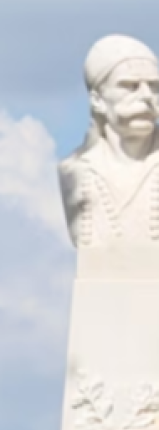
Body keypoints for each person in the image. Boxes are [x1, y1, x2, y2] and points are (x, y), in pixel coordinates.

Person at [60, 34, 159, 261]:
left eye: (154, 87)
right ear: (98, 100)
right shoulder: (74, 171)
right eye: (130, 86)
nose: (147, 96)